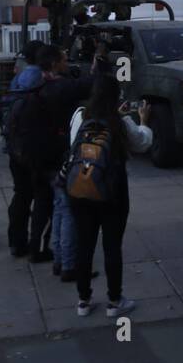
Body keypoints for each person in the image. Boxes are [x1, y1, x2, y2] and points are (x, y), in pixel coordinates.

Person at [67, 75, 152, 317]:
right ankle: (115, 302)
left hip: (80, 188)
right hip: (112, 191)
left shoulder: (79, 116)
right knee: (112, 246)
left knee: (84, 244)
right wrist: (144, 120)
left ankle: (83, 301)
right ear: (116, 96)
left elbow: (72, 146)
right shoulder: (120, 122)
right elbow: (142, 143)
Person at [39, 43, 108, 282]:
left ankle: (60, 259)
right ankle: (70, 266)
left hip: (47, 157)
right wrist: (99, 64)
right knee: (68, 213)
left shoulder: (40, 85)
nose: (67, 62)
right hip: (64, 158)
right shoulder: (62, 89)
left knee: (59, 210)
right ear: (54, 64)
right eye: (63, 58)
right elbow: (92, 85)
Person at [4, 49, 52, 261]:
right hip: (35, 150)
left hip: (16, 148)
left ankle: (17, 242)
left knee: (21, 195)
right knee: (42, 196)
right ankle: (38, 246)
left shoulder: (18, 80)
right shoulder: (38, 79)